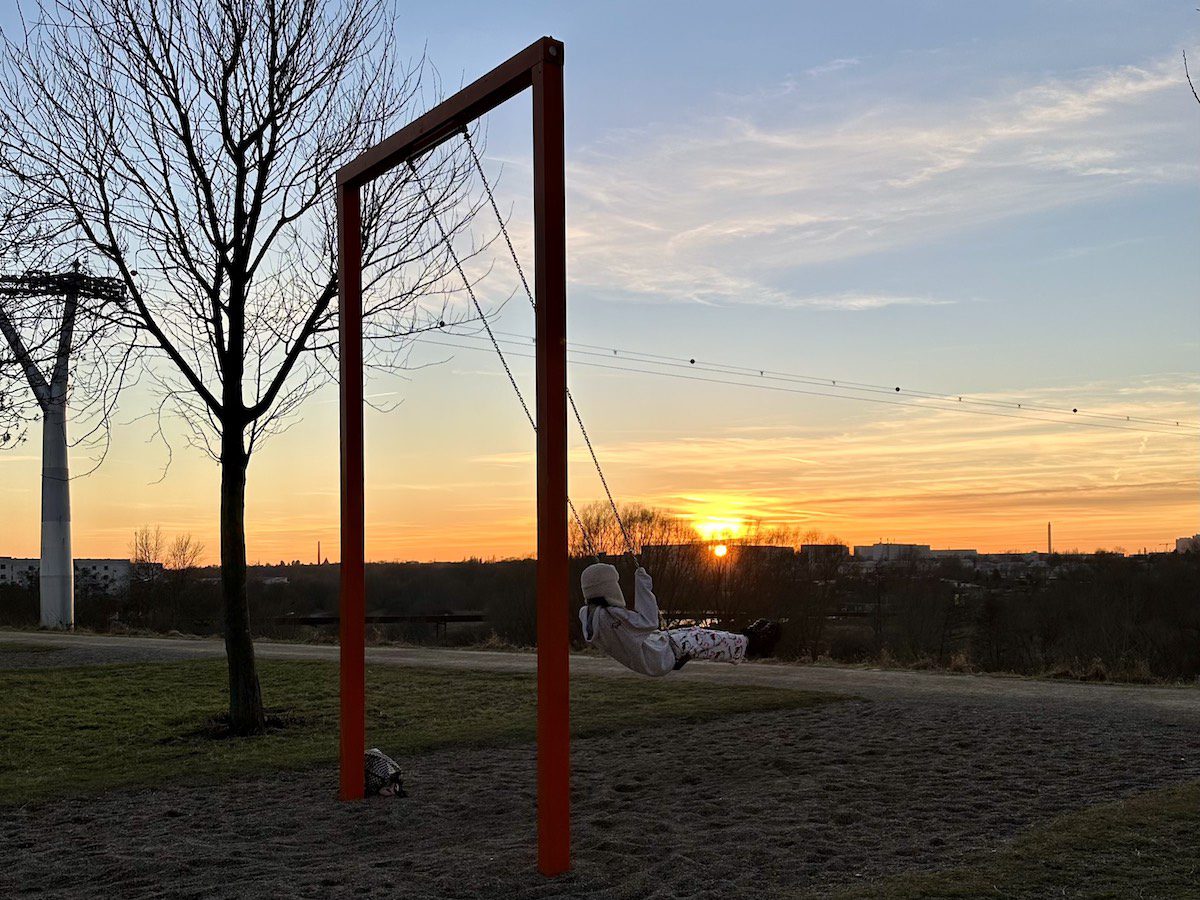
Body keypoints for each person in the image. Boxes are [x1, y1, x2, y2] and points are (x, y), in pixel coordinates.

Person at [578, 562, 781, 677]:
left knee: (690, 632)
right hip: (658, 657)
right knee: (699, 636)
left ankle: (746, 640)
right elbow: (648, 621)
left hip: (654, 649)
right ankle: (750, 644)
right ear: (607, 587)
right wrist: (642, 586)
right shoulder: (610, 617)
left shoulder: (587, 614)